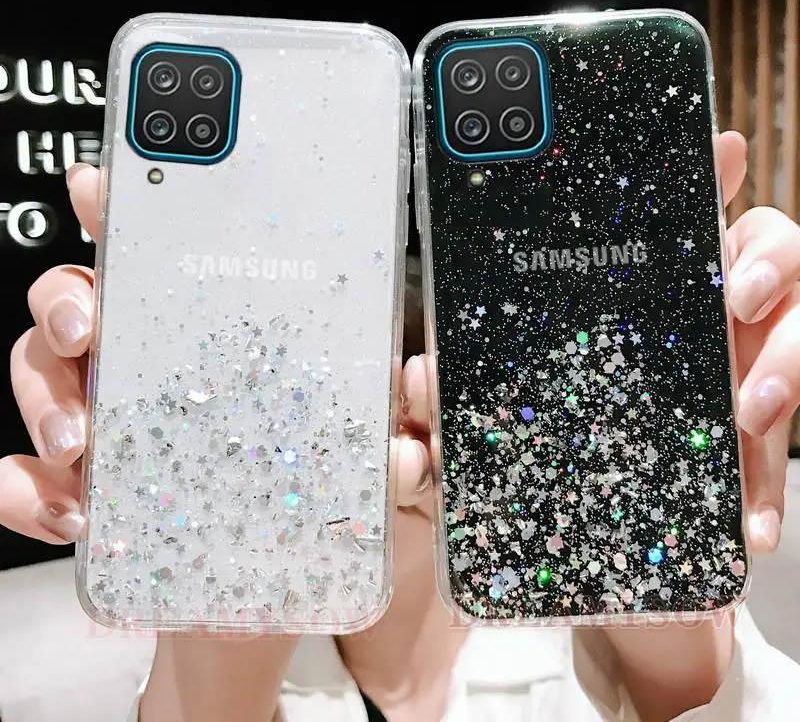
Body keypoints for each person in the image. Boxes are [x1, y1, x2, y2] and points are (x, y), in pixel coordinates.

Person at [2, 131, 800, 721]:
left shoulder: (589, 633)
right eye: (350, 409)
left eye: (439, 397)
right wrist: (230, 593)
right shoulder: (253, 650)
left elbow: (701, 692)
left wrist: (666, 590)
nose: (407, 434)